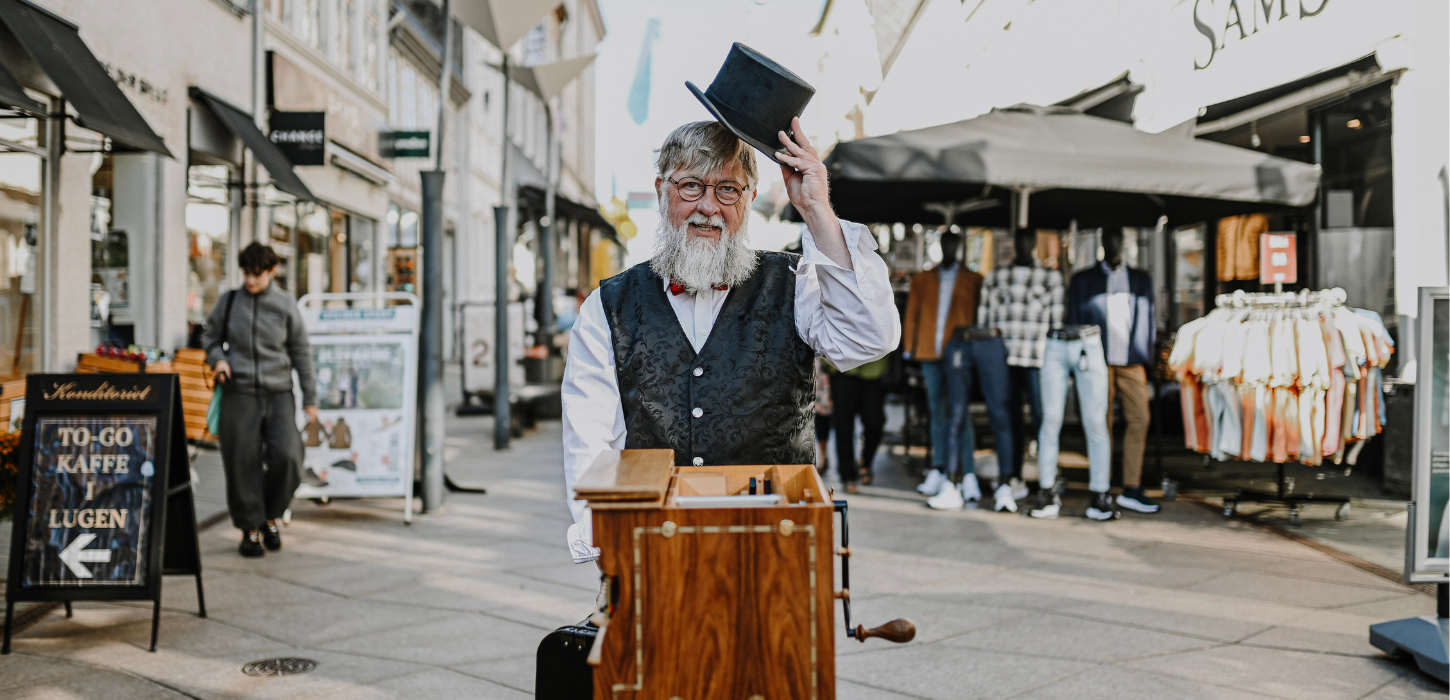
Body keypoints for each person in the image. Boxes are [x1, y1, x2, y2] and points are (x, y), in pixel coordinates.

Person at [561, 118, 899, 563]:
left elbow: (870, 338)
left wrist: (817, 210)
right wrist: (607, 548)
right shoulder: (609, 304)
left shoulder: (795, 283)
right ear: (662, 191)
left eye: (727, 189)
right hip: (654, 549)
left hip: (776, 549)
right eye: (690, 187)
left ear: (749, 200)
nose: (708, 206)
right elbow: (589, 440)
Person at [202, 242, 318, 557]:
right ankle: (250, 529)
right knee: (241, 462)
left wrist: (311, 397)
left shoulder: (284, 305)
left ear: (270, 271)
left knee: (289, 458)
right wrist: (218, 360)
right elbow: (209, 336)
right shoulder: (229, 302)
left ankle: (270, 515)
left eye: (257, 274)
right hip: (238, 392)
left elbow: (301, 351)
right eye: (246, 274)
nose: (251, 281)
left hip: (279, 392)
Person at [1064, 226, 1160, 515]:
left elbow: (1148, 320)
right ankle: (1101, 484)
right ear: (1102, 243)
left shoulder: (1140, 279)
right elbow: (1073, 319)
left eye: (1118, 239)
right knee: (1099, 423)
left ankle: (1132, 486)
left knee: (1140, 419)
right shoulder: (1084, 280)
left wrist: (1150, 359)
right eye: (1109, 239)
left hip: (1132, 361)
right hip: (1097, 360)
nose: (1114, 244)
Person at [978, 228, 1062, 506]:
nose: (1024, 245)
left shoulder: (1051, 277)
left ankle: (1047, 479)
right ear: (1014, 244)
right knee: (1007, 418)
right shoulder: (995, 276)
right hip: (1003, 358)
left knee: (1042, 418)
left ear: (1034, 244)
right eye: (1019, 241)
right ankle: (1012, 476)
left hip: (1038, 358)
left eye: (1029, 241)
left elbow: (1057, 325)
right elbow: (985, 322)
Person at [902, 231, 982, 503]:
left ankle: (967, 472)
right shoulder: (923, 278)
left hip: (959, 353)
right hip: (928, 351)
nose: (949, 247)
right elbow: (912, 311)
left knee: (960, 412)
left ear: (959, 247)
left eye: (953, 243)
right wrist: (909, 349)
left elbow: (977, 317)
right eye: (945, 243)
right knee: (936, 410)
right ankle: (937, 467)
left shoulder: (974, 280)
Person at [826, 356, 889, 493]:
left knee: (875, 421)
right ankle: (847, 476)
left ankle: (865, 462)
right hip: (842, 366)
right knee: (843, 424)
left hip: (874, 367)